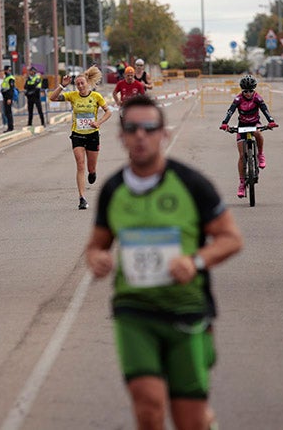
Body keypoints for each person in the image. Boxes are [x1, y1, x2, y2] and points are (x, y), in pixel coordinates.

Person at [85, 94, 243, 430]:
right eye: (132, 128)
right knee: (149, 406)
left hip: (186, 309)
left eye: (149, 128)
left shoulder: (191, 183)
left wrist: (196, 261)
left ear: (163, 134)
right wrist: (97, 259)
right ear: (122, 136)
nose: (140, 135)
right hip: (134, 310)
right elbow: (96, 245)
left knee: (191, 421)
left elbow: (231, 239)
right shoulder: (113, 190)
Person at [48, 66, 111, 210]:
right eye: (78, 84)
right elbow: (52, 98)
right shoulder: (72, 96)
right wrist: (62, 85)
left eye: (82, 83)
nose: (80, 86)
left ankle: (93, 172)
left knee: (90, 167)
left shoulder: (96, 97)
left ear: (87, 83)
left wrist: (98, 122)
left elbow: (108, 112)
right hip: (77, 134)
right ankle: (82, 198)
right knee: (80, 164)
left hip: (92, 135)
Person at [219, 74, 278, 199]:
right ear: (242, 91)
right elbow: (230, 111)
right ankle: (241, 183)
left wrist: (271, 121)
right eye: (245, 91)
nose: (248, 93)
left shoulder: (257, 98)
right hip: (242, 125)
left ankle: (260, 154)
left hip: (254, 123)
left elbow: (265, 110)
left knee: (258, 133)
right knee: (241, 156)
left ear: (254, 90)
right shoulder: (238, 99)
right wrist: (224, 123)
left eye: (251, 91)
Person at [0, 67, 16, 132]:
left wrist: (9, 98)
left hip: (8, 97)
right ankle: (9, 127)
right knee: (6, 112)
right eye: (6, 70)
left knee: (8, 112)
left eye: (8, 70)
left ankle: (10, 127)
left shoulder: (10, 78)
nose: (7, 71)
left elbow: (11, 89)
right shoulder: (5, 78)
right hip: (5, 97)